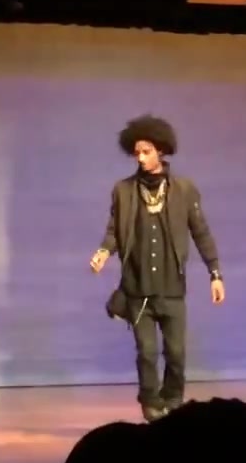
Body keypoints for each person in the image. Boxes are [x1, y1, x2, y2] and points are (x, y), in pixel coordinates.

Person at [90, 115, 224, 422]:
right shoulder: (123, 190)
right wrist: (103, 252)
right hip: (138, 290)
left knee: (176, 353)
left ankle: (173, 399)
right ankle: (150, 402)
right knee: (147, 353)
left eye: (146, 151)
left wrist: (215, 273)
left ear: (161, 151)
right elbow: (114, 230)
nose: (140, 157)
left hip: (172, 289)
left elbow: (201, 232)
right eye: (136, 152)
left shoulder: (184, 190)